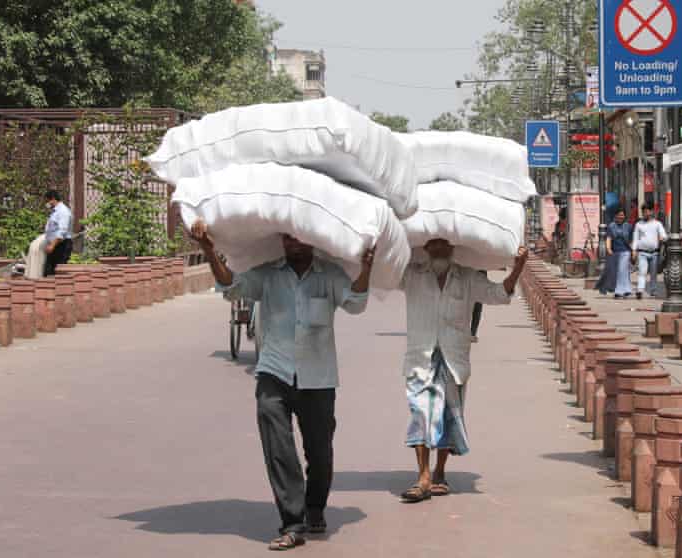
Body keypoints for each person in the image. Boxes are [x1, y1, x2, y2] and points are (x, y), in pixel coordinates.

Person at [192, 219, 374, 551]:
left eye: (300, 235)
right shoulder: (267, 274)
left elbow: (356, 304)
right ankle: (292, 521)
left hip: (318, 378)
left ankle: (315, 506)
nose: (293, 242)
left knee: (320, 453)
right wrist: (207, 249)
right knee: (278, 449)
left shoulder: (330, 275)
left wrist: (366, 268)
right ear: (282, 241)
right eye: (288, 236)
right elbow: (231, 287)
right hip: (273, 372)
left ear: (312, 240)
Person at [398, 239, 528, 503]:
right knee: (420, 412)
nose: (439, 249)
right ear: (425, 247)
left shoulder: (467, 278)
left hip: (454, 357)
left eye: (444, 245)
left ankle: (439, 472)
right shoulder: (411, 274)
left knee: (448, 415)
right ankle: (422, 476)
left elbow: (498, 295)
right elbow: (383, 274)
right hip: (420, 356)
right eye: (433, 245)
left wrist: (518, 268)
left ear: (453, 247)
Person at [633, 204, 668, 299]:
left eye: (648, 211)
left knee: (653, 273)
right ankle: (640, 290)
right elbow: (635, 238)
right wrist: (634, 250)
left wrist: (662, 238)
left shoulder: (657, 224)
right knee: (642, 271)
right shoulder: (638, 224)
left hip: (654, 253)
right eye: (644, 211)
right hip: (642, 252)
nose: (646, 213)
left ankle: (653, 291)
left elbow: (664, 235)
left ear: (652, 212)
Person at [42, 190, 73, 277]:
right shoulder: (55, 212)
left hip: (61, 245)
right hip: (55, 244)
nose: (47, 204)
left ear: (53, 199)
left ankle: (60, 290)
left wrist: (52, 245)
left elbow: (62, 232)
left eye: (47, 201)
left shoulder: (63, 211)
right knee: (49, 272)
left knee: (58, 272)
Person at [605, 208, 633, 298]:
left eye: (622, 215)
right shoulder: (611, 226)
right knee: (621, 271)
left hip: (625, 251)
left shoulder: (628, 226)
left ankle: (619, 291)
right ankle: (627, 289)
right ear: (615, 216)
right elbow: (608, 238)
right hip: (615, 251)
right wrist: (608, 248)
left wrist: (634, 251)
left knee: (622, 270)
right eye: (619, 215)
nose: (621, 217)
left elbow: (631, 240)